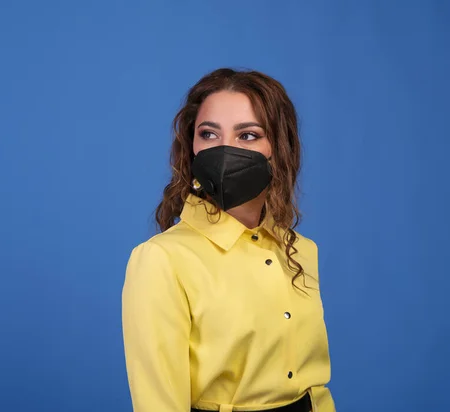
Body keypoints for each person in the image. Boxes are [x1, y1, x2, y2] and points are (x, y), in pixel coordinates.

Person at [121, 68, 335, 412]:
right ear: (191, 146)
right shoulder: (162, 259)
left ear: (279, 148)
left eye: (247, 135)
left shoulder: (299, 250)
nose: (225, 150)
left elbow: (314, 388)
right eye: (208, 133)